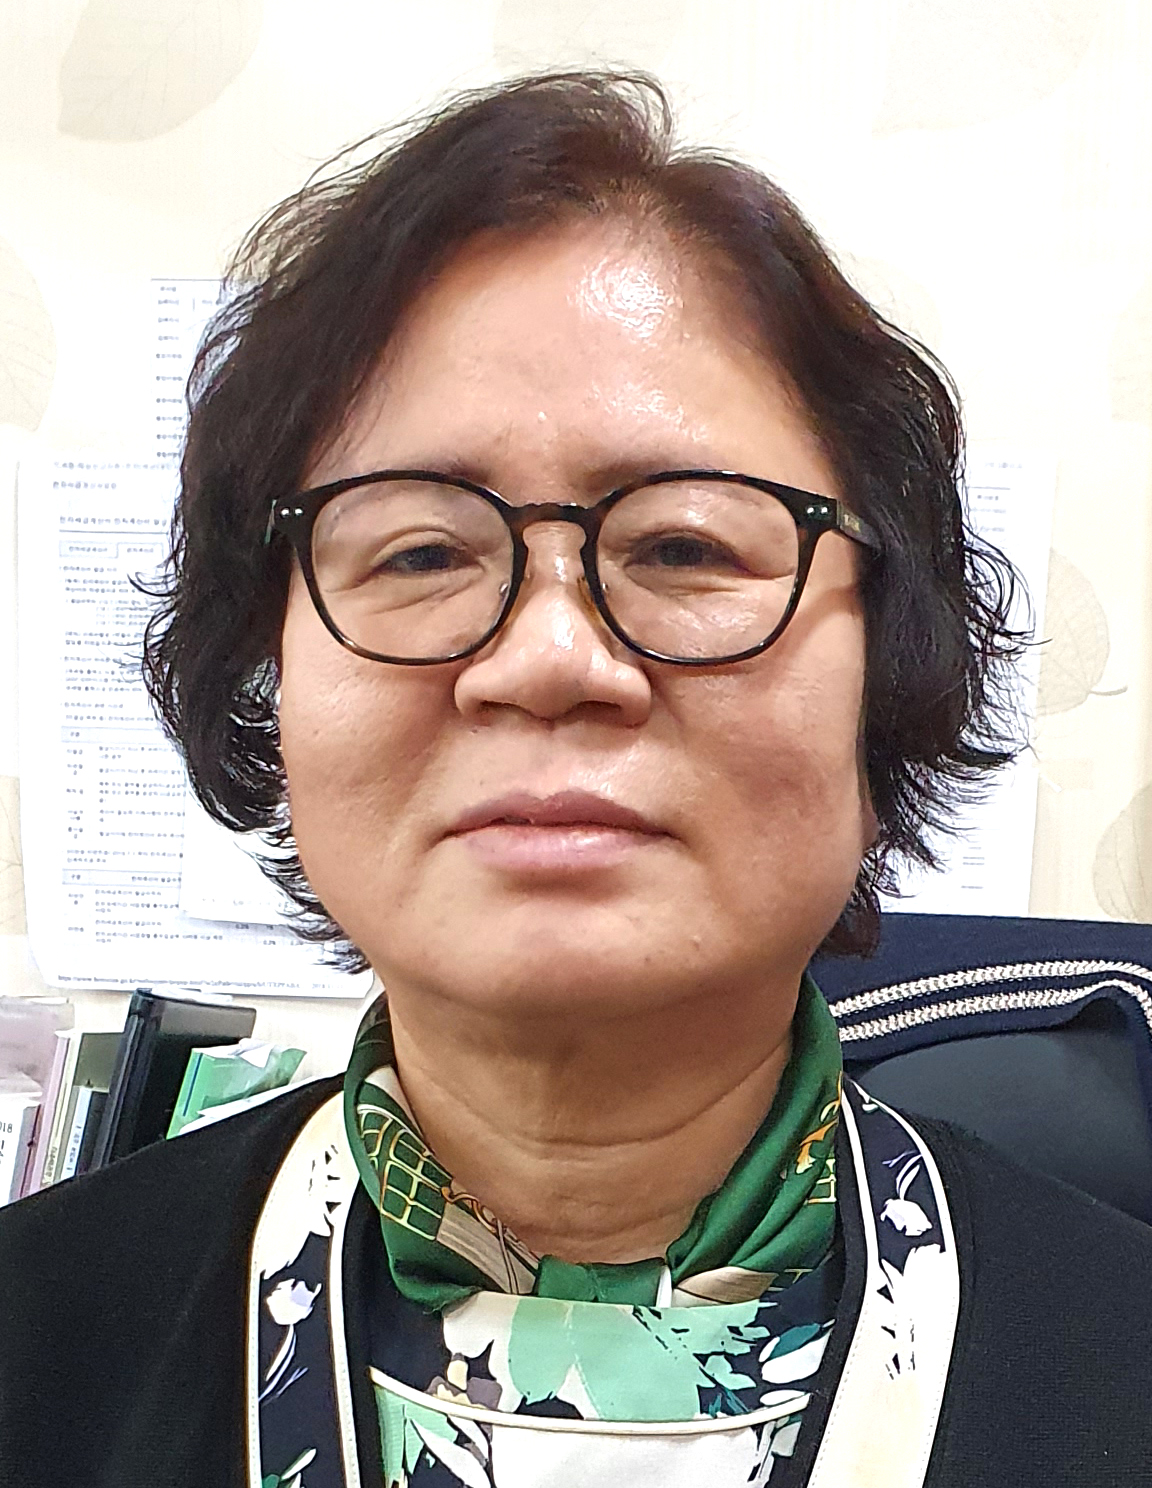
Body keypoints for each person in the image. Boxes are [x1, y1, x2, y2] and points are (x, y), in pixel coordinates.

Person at [2, 69, 1150, 1488]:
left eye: (684, 548)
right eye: (421, 551)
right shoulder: (36, 1347)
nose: (548, 659)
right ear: (270, 681)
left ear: (890, 684)